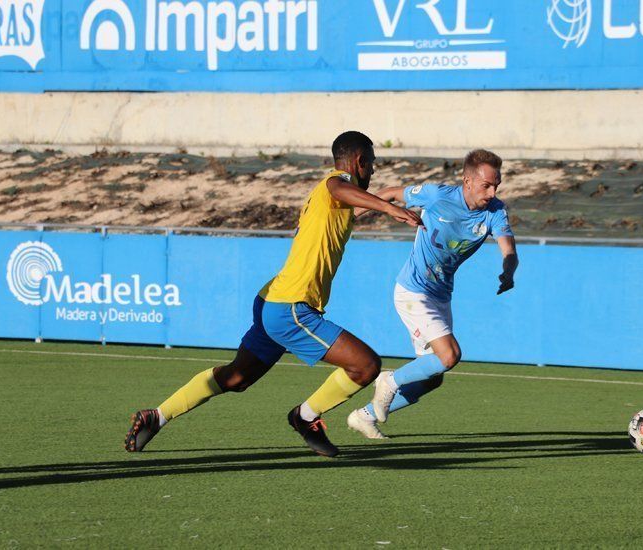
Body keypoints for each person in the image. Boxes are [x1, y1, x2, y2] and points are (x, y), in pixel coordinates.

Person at [124, 131, 422, 457]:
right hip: (289, 306)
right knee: (365, 367)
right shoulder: (334, 184)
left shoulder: (330, 203)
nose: (374, 172)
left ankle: (158, 415)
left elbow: (352, 207)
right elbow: (341, 189)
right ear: (360, 162)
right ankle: (305, 417)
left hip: (273, 297)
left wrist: (393, 197)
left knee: (236, 377)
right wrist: (386, 207)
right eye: (373, 164)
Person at [346, 149, 518, 439]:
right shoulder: (437, 195)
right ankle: (388, 381)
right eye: (486, 185)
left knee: (432, 378)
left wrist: (509, 270)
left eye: (496, 185)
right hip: (413, 291)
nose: (492, 192)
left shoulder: (495, 212)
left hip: (440, 295)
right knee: (449, 356)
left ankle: (364, 416)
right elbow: (388, 193)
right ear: (467, 180)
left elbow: (509, 249)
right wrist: (344, 222)